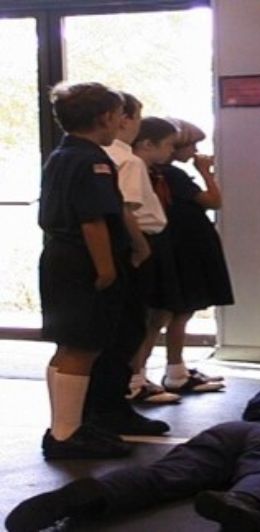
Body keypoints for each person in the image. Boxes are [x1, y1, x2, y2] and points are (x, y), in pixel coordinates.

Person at [5, 327, 260, 532]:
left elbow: (252, 417)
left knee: (167, 474)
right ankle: (248, 502)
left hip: (233, 431)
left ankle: (97, 492)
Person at [37, 81, 134, 459]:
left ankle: (65, 424)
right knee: (83, 346)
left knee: (68, 346)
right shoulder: (90, 159)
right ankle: (65, 435)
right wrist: (107, 268)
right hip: (84, 260)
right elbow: (92, 221)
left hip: (60, 257)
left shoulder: (62, 154)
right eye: (119, 116)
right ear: (106, 117)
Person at [83, 103, 179, 443]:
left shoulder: (102, 156)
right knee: (127, 329)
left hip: (125, 248)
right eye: (136, 117)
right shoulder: (123, 159)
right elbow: (125, 211)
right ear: (120, 118)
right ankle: (111, 406)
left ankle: (108, 403)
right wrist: (140, 248)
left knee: (123, 329)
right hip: (131, 249)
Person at [131, 117, 233, 395]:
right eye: (191, 145)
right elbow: (214, 200)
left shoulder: (162, 173)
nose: (195, 150)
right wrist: (206, 172)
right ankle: (143, 375)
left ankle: (171, 370)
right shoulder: (170, 175)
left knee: (172, 311)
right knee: (169, 311)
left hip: (180, 243)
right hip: (180, 245)